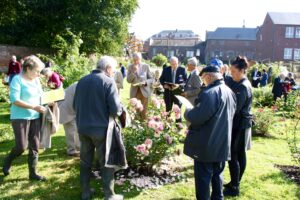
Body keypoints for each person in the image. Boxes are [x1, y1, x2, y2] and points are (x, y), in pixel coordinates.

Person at [73, 56, 124, 200]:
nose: (113, 73)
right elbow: (115, 110)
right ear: (108, 68)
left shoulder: (82, 81)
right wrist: (121, 110)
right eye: (113, 70)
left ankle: (85, 192)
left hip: (83, 128)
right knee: (106, 162)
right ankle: (109, 195)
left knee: (85, 161)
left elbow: (74, 105)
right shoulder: (108, 81)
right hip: (102, 130)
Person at [184, 65, 236, 200]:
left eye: (203, 78)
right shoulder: (230, 91)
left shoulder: (209, 93)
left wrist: (187, 112)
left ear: (209, 76)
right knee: (218, 175)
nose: (203, 81)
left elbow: (197, 117)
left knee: (203, 179)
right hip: (222, 142)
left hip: (206, 144)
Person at [2, 55, 47, 181]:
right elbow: (15, 100)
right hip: (20, 117)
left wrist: (50, 101)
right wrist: (34, 107)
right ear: (28, 68)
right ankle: (8, 161)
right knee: (21, 146)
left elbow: (40, 96)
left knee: (35, 145)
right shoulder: (17, 79)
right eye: (37, 71)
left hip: (35, 117)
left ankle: (33, 173)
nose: (39, 74)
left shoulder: (36, 80)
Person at [224, 56, 253, 197]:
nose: (231, 74)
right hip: (241, 124)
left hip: (240, 125)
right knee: (240, 154)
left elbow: (235, 109)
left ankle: (235, 187)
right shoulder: (240, 82)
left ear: (242, 71)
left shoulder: (243, 86)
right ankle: (235, 182)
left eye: (234, 71)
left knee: (234, 156)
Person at [160, 56, 187, 121]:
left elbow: (186, 81)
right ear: (170, 63)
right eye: (172, 64)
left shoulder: (182, 70)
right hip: (168, 93)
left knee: (178, 110)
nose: (174, 65)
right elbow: (161, 79)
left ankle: (178, 125)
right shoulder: (166, 69)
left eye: (175, 64)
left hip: (178, 93)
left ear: (178, 63)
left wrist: (179, 85)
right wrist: (164, 85)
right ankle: (167, 125)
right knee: (168, 109)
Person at [127, 52, 153, 119]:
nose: (136, 61)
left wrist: (146, 82)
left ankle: (144, 127)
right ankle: (135, 127)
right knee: (135, 111)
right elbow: (128, 80)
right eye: (134, 60)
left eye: (137, 60)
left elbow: (151, 79)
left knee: (144, 112)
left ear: (140, 59)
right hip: (135, 92)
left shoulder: (146, 66)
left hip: (144, 92)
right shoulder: (130, 67)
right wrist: (133, 72)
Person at [58, 82, 80, 157]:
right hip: (66, 108)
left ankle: (78, 147)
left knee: (75, 129)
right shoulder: (82, 85)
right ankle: (71, 150)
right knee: (71, 131)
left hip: (70, 107)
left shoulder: (81, 83)